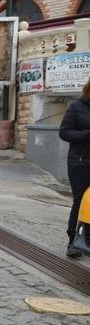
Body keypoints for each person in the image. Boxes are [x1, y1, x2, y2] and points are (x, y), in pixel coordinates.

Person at [59, 77, 90, 259]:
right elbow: (64, 132)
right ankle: (74, 242)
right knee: (80, 201)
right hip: (80, 162)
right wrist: (88, 134)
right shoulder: (77, 107)